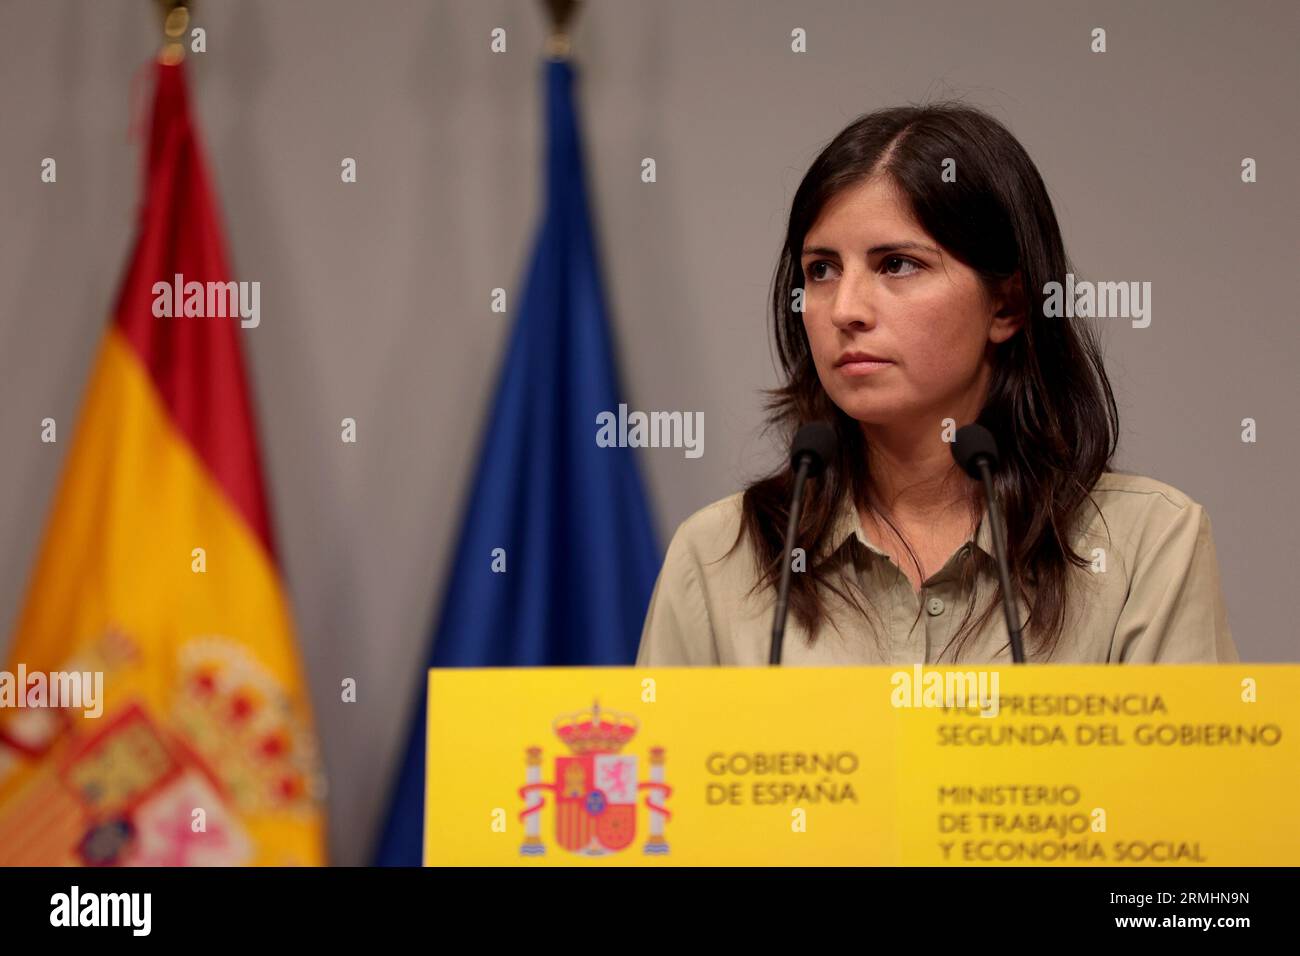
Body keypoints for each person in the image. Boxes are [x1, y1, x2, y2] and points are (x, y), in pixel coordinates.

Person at [636, 103, 1237, 666]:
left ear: (1007, 306)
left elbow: (1186, 782)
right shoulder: (719, 557)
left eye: (897, 264)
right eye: (821, 270)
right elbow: (665, 778)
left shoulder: (1147, 546)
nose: (845, 308)